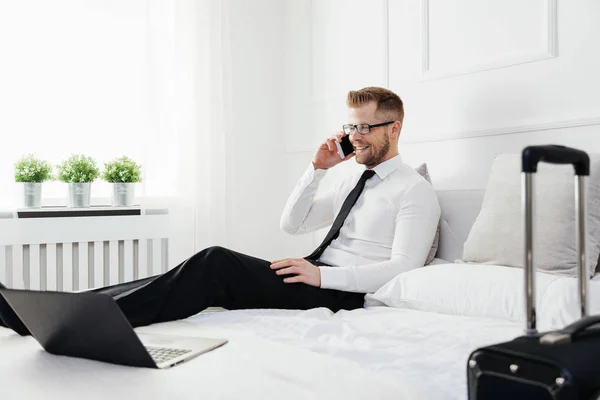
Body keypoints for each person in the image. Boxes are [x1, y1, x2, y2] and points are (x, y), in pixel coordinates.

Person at [0, 87, 440, 337]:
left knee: (214, 263)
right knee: (200, 269)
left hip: (343, 294)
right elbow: (293, 224)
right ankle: (65, 312)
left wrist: (322, 276)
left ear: (393, 127)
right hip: (313, 275)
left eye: (363, 127)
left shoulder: (414, 192)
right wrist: (316, 170)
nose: (354, 136)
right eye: (349, 126)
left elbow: (401, 268)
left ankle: (74, 322)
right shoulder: (350, 178)